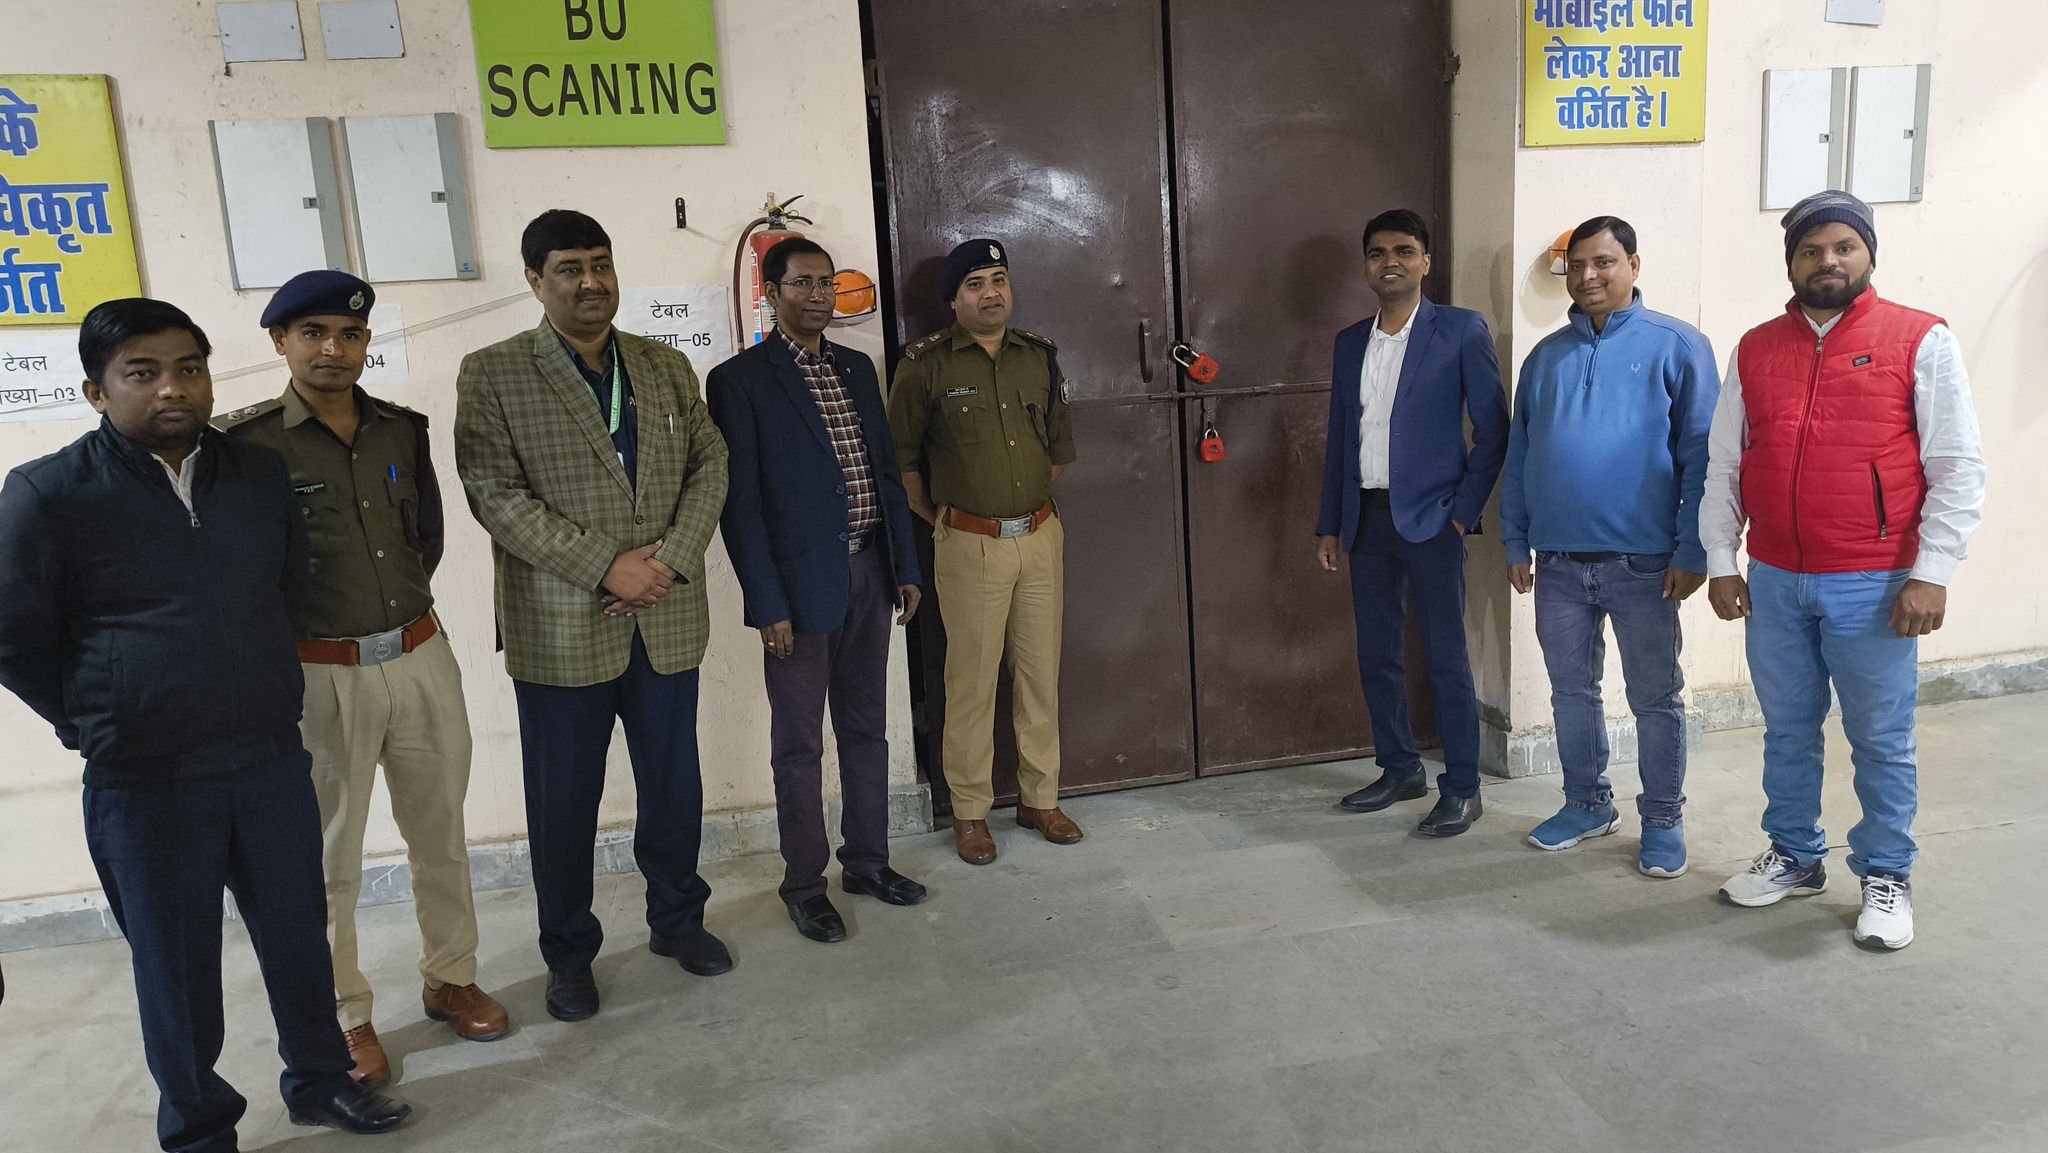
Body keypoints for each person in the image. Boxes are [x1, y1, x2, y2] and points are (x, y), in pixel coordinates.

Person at [0, 299, 410, 1151]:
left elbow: (289, 589)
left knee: (298, 938)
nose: (172, 388)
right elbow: (13, 638)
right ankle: (198, 1128)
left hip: (267, 759)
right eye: (142, 373)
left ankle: (321, 1082)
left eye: (188, 368)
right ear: (96, 390)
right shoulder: (49, 493)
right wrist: (94, 717)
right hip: (146, 778)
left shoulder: (257, 474)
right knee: (177, 969)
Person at [216, 270, 507, 1086]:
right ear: (280, 341)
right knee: (327, 860)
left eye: (349, 335)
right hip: (319, 674)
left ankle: (451, 975)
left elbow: (428, 540)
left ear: (366, 343)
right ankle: (346, 1015)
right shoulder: (245, 446)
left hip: (419, 657)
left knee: (441, 835)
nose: (332, 349)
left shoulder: (400, 430)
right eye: (312, 333)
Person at [454, 209, 731, 1021]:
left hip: (666, 617)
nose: (590, 282)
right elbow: (495, 495)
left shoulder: (663, 364)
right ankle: (569, 954)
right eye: (569, 268)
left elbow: (711, 463)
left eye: (601, 264)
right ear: (534, 281)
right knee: (564, 804)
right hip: (561, 628)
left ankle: (678, 920)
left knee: (674, 787)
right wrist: (608, 565)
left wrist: (668, 561)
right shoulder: (494, 373)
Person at [1702, 190, 1986, 950]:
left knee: (1880, 737)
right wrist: (1722, 558)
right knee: (1787, 730)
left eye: (1843, 247)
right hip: (1775, 578)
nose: (1827, 261)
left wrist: (1932, 570)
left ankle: (1886, 873)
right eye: (1810, 250)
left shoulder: (1920, 338)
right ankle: (1795, 854)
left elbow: (1957, 465)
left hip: (1876, 581)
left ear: (1868, 254)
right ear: (1790, 262)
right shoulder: (1757, 348)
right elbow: (1726, 461)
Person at [707, 238, 928, 943]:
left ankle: (868, 862)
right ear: (771, 294)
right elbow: (740, 504)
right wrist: (766, 603)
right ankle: (805, 884)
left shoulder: (857, 368)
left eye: (827, 283)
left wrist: (905, 565)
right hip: (797, 592)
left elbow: (884, 472)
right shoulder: (739, 380)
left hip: (869, 572)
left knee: (866, 727)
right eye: (802, 283)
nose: (818, 295)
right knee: (798, 745)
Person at [1501, 216, 1719, 877]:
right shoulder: (1545, 358)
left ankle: (1663, 819)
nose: (1589, 275)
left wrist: (1694, 550)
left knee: (1655, 698)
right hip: (1558, 564)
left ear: (1634, 265)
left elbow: (1702, 456)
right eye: (1577, 265)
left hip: (1645, 564)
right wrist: (1515, 538)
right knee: (1571, 693)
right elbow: (1520, 455)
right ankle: (1586, 803)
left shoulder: (1679, 346)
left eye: (1604, 262)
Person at [1315, 208, 1509, 837]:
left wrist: (1462, 513)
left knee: (1446, 658)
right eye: (1377, 253)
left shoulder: (1459, 330)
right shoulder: (1351, 342)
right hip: (1366, 520)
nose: (1390, 262)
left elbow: (1493, 430)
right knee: (1377, 654)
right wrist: (1329, 523)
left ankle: (1463, 787)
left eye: (1403, 251)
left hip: (1433, 523)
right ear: (1366, 265)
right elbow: (1341, 438)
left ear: (1426, 261)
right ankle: (1399, 768)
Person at [886, 238, 1081, 865]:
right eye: (975, 284)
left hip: (1041, 538)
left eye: (999, 279)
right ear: (953, 299)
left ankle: (1040, 800)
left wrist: (1022, 508)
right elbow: (902, 464)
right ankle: (970, 813)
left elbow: (1057, 450)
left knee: (1039, 677)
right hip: (969, 545)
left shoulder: (1038, 357)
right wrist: (950, 518)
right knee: (970, 683)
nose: (991, 293)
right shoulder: (925, 366)